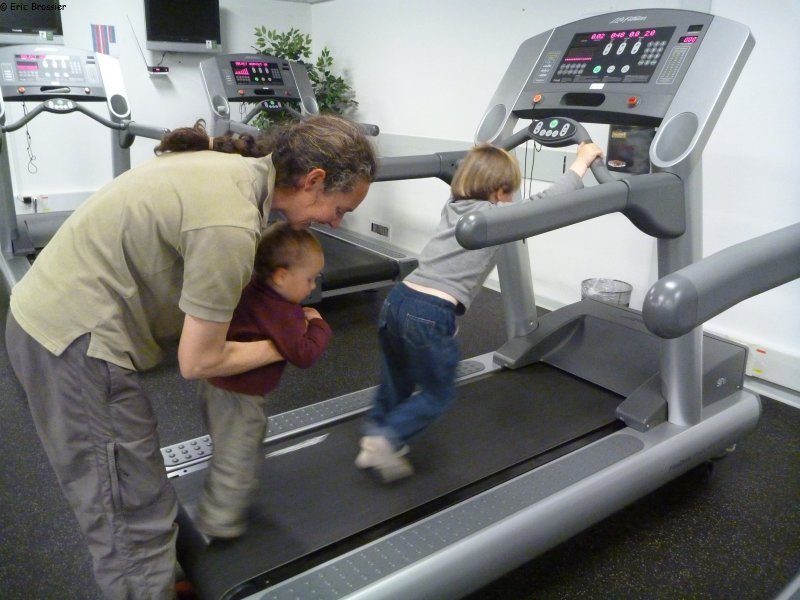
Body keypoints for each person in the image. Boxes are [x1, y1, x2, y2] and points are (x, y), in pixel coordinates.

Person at [5, 114, 376, 599]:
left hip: (53, 318)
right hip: (72, 342)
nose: (336, 222)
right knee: (128, 518)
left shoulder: (234, 173)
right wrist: (290, 343)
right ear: (314, 180)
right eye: (340, 207)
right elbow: (198, 362)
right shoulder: (230, 222)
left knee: (135, 477)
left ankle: (161, 573)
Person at [355, 141, 603, 482]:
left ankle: (375, 431)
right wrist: (581, 162)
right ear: (500, 192)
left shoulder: (453, 205)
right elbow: (548, 202)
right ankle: (388, 438)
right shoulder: (495, 217)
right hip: (430, 312)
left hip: (398, 300)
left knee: (396, 378)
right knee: (438, 392)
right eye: (510, 192)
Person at [196, 221, 331, 539]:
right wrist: (318, 324)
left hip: (214, 387)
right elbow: (304, 354)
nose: (312, 287)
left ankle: (226, 494)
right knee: (237, 458)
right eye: (309, 279)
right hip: (241, 398)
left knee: (233, 443)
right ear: (281, 276)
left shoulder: (250, 288)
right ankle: (219, 523)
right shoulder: (284, 311)